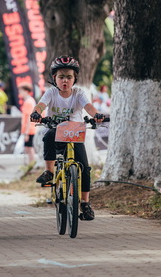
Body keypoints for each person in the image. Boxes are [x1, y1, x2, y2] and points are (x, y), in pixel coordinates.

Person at [30, 56, 105, 221]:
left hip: (75, 133)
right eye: (61, 77)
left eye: (69, 77)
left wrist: (97, 115)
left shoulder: (78, 93)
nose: (65, 80)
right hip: (56, 130)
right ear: (54, 78)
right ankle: (49, 171)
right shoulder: (51, 93)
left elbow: (89, 107)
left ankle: (85, 203)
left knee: (85, 168)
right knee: (48, 135)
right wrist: (36, 113)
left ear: (75, 79)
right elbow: (41, 105)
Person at [18, 83, 37, 164]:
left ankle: (32, 164)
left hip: (29, 129)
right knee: (28, 147)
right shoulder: (29, 101)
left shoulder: (28, 102)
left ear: (26, 91)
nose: (19, 93)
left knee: (29, 148)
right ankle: (31, 164)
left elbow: (29, 117)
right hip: (29, 129)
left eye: (21, 91)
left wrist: (26, 132)